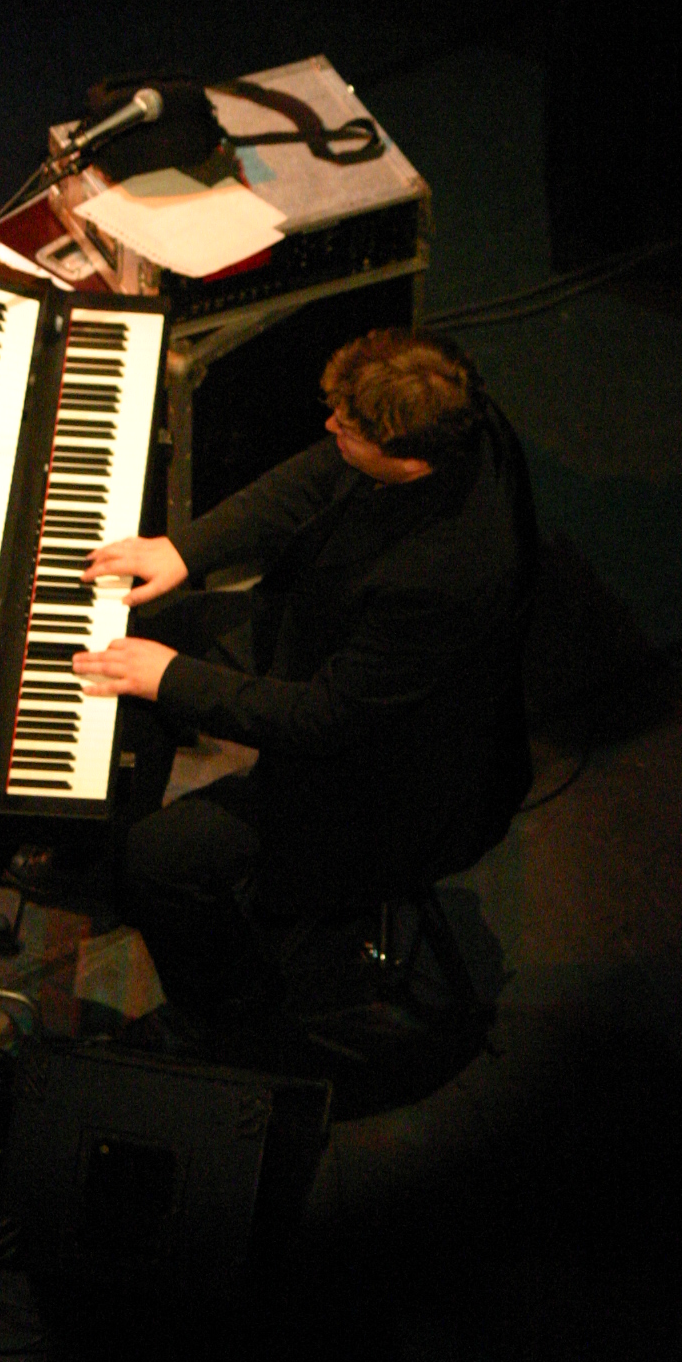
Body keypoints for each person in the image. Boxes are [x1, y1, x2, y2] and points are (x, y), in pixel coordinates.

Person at [71, 328, 538, 1034]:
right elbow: (320, 474)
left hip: (388, 786)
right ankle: (99, 842)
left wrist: (169, 681)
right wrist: (184, 550)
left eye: (347, 428)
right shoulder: (450, 412)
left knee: (160, 859)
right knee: (153, 634)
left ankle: (230, 1011)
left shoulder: (444, 576)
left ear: (402, 455)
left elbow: (324, 720)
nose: (329, 429)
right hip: (337, 651)